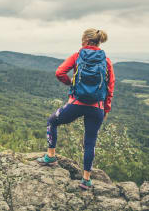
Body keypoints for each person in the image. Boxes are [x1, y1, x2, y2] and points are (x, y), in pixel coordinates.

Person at [36, 28, 115, 190]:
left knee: (52, 121)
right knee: (90, 141)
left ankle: (50, 156)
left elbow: (59, 72)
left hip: (76, 104)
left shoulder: (78, 56)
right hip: (97, 108)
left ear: (85, 41)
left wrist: (71, 83)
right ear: (99, 42)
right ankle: (86, 179)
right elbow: (110, 86)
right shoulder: (106, 61)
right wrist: (106, 108)